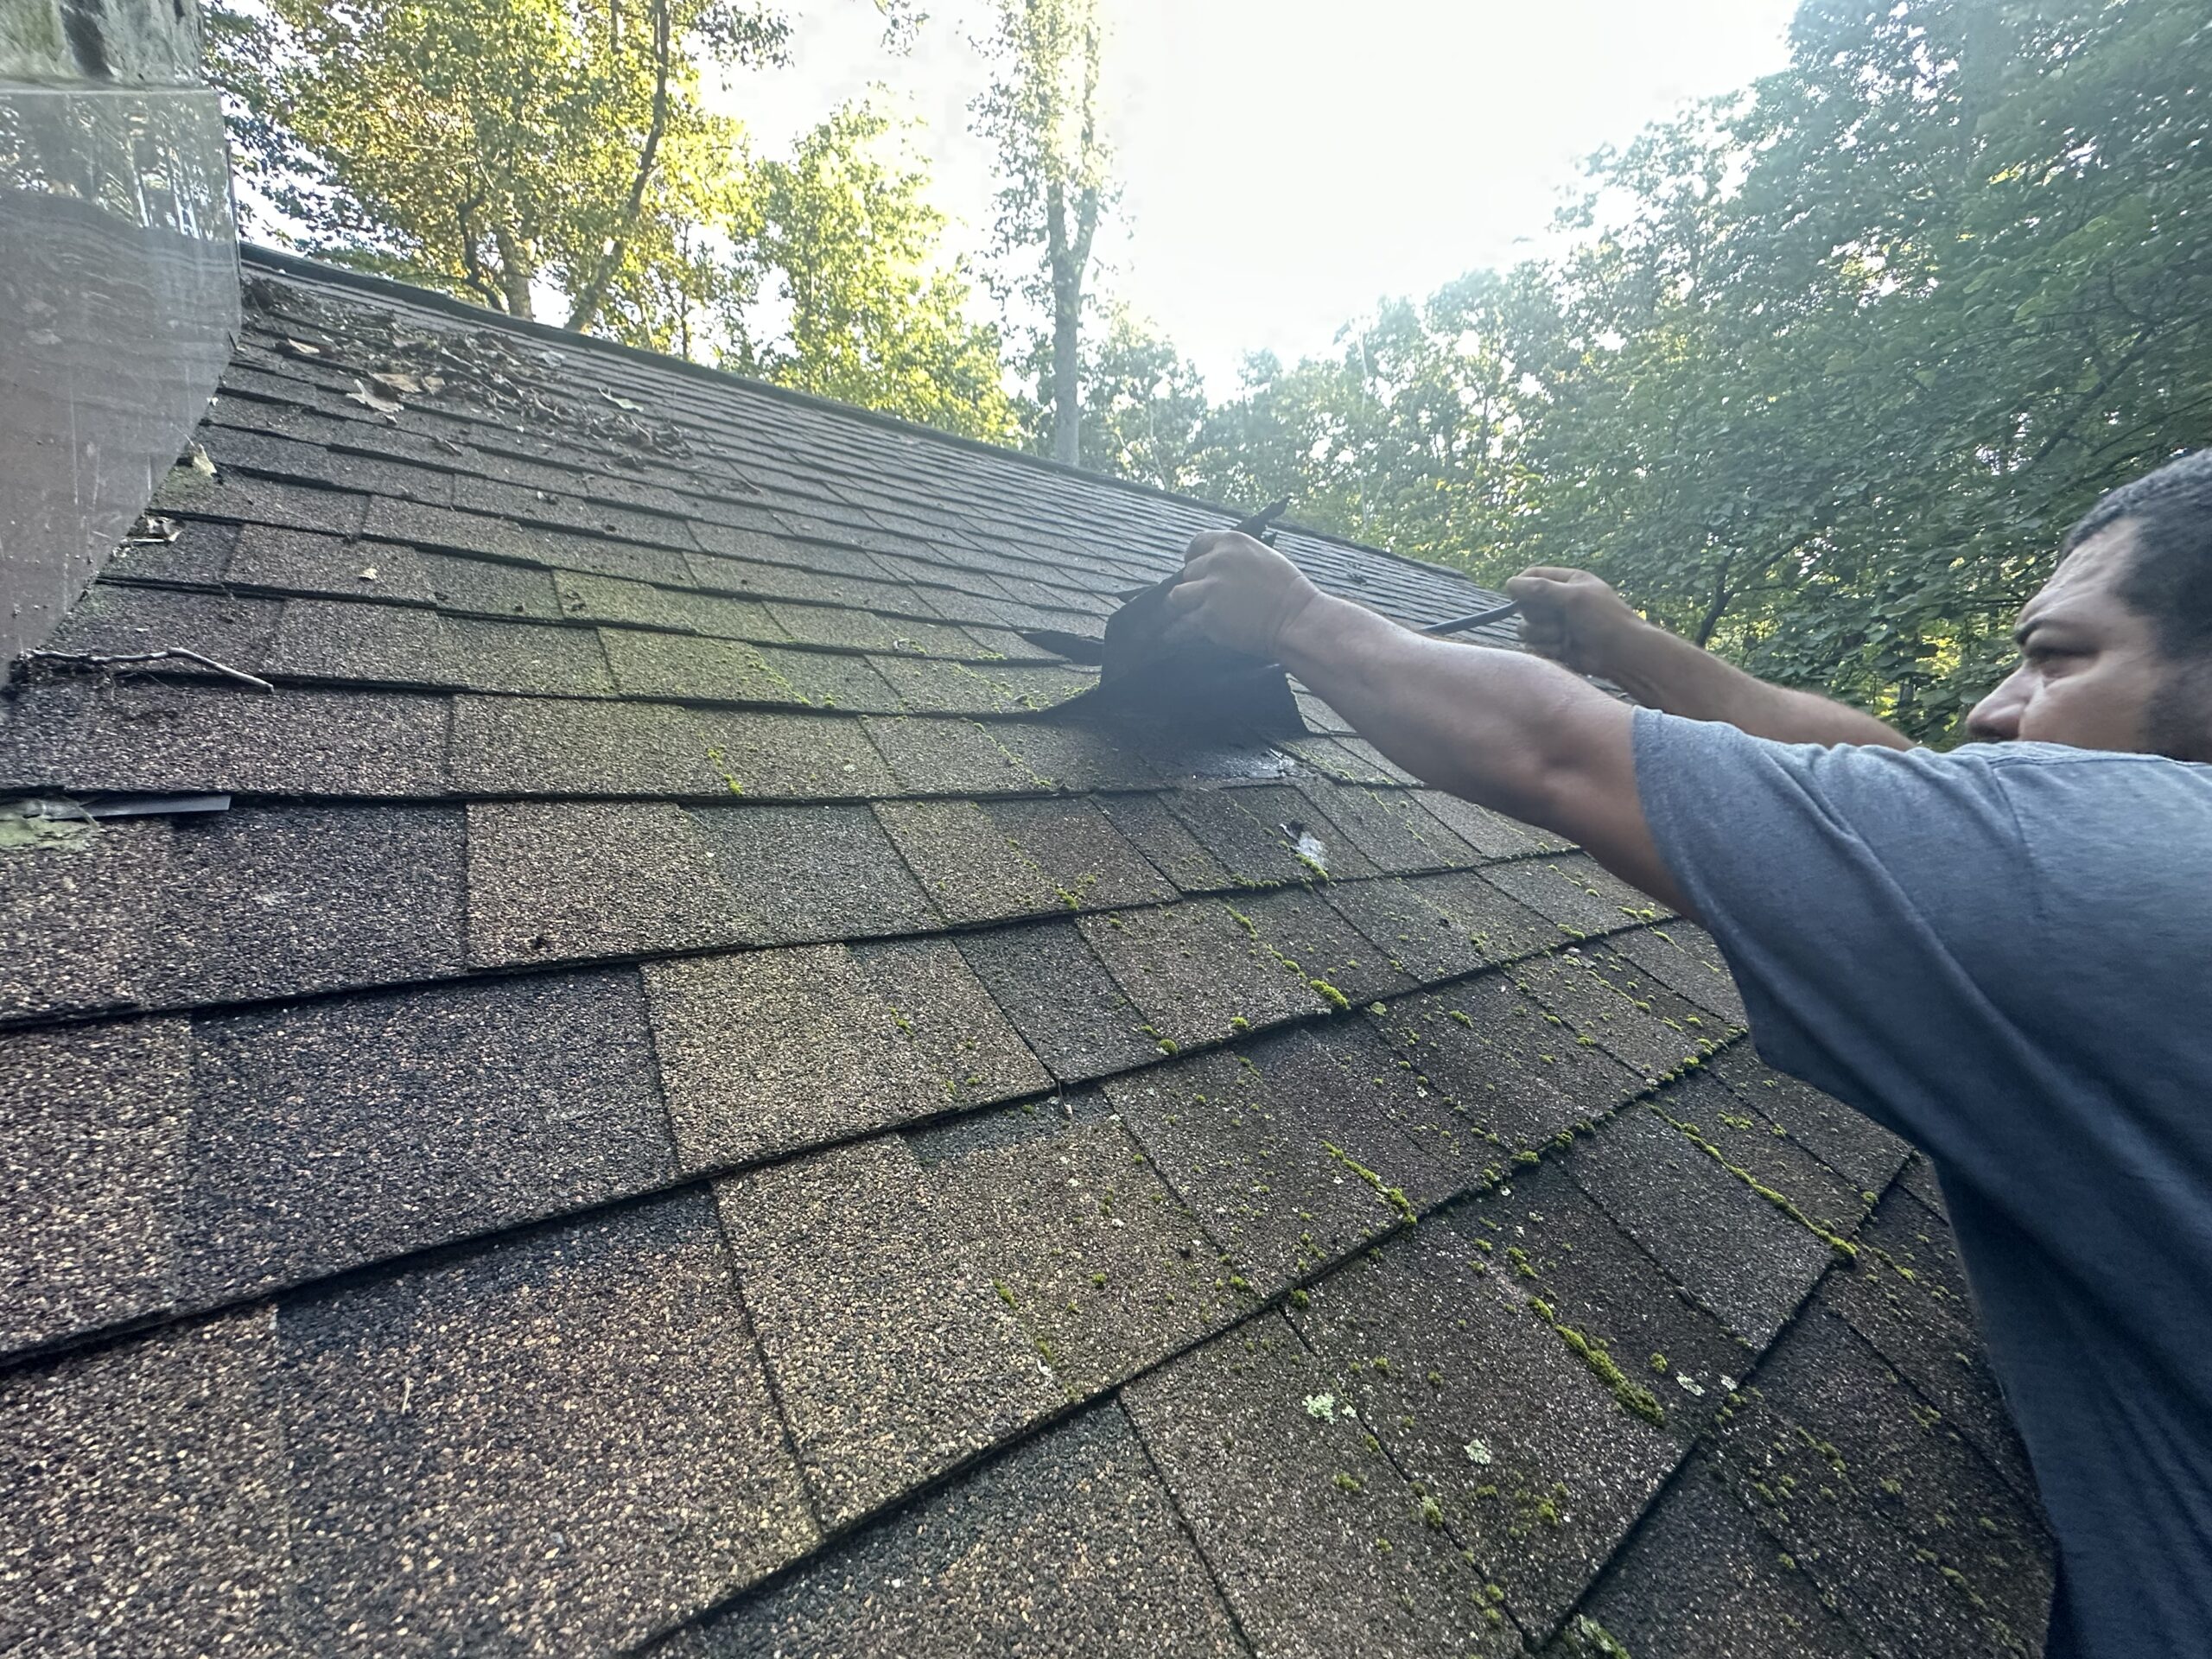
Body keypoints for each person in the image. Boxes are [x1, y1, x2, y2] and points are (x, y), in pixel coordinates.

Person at [1166, 449, 2212, 1659]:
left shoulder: (2153, 873)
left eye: (2057, 655)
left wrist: (1295, 617)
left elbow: (1559, 753)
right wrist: (1631, 645)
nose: (1992, 703)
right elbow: (1899, 777)